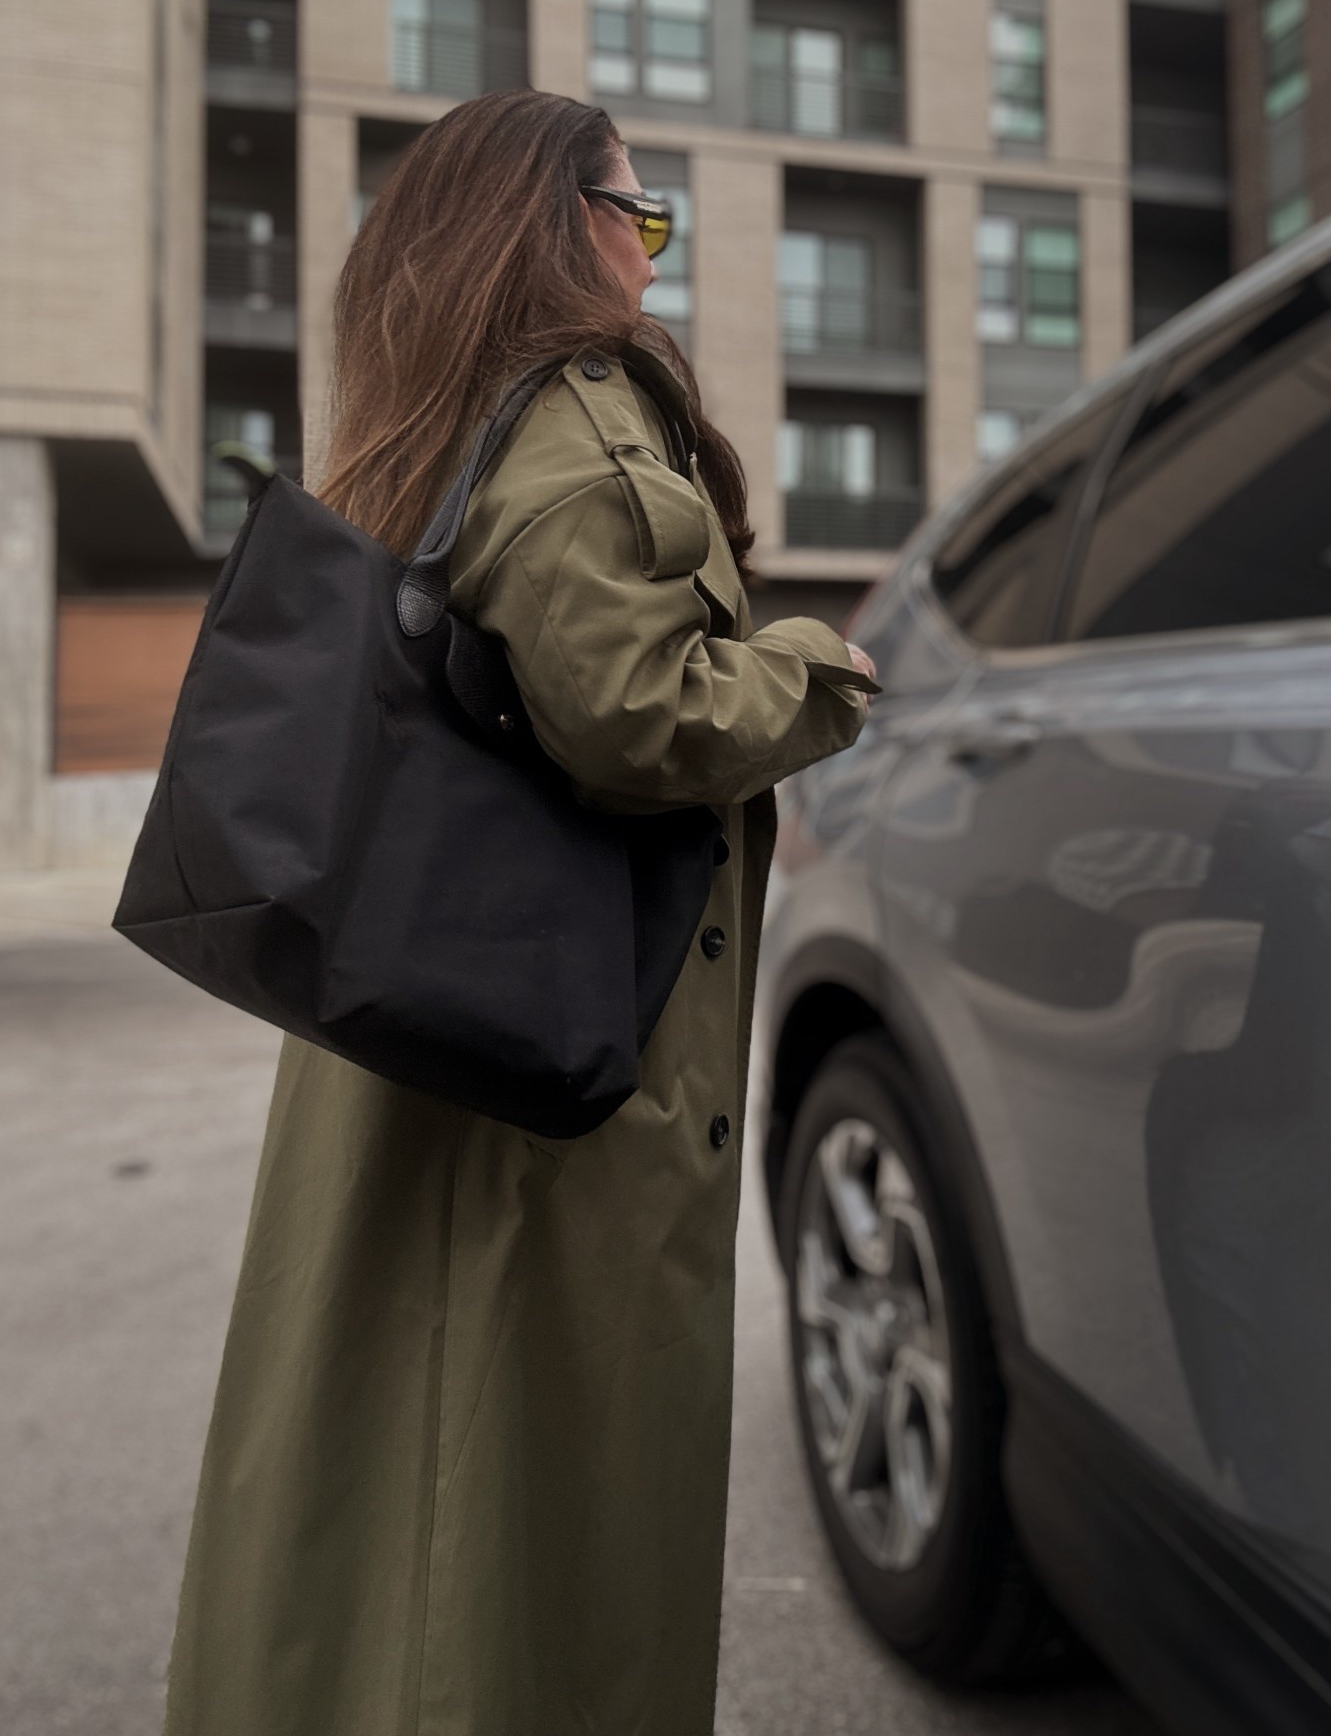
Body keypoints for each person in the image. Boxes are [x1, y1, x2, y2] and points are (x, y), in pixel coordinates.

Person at [162, 89, 879, 1736]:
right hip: (557, 1066)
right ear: (559, 224)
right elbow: (636, 716)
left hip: (428, 1032)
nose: (649, 258)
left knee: (399, 1482)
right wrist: (817, 668)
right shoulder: (576, 414)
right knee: (535, 1521)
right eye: (639, 217)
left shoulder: (426, 418)